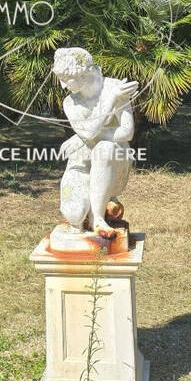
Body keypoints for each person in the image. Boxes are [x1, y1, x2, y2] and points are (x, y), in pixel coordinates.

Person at [52, 47, 137, 238]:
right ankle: (96, 207)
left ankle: (98, 218)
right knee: (74, 215)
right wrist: (110, 102)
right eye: (61, 79)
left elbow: (126, 132)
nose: (63, 86)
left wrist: (82, 136)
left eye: (67, 79)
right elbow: (89, 133)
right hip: (81, 164)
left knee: (103, 148)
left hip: (114, 161)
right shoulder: (70, 102)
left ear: (85, 73)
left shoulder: (114, 88)